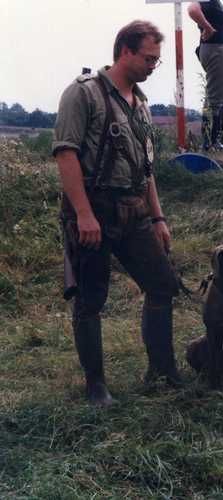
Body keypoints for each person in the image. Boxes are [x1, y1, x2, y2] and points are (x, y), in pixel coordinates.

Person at [52, 20, 182, 407]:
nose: (152, 67)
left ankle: (162, 370)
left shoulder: (140, 104)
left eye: (157, 61)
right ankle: (96, 387)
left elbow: (147, 170)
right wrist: (84, 214)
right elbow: (65, 153)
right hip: (93, 212)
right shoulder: (84, 94)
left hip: (134, 211)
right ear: (125, 50)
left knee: (162, 285)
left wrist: (157, 218)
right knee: (91, 299)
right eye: (148, 58)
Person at [188, 1, 223, 151]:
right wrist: (208, 28)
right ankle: (210, 143)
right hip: (216, 49)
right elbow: (192, 9)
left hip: (221, 50)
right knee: (215, 99)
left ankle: (216, 140)